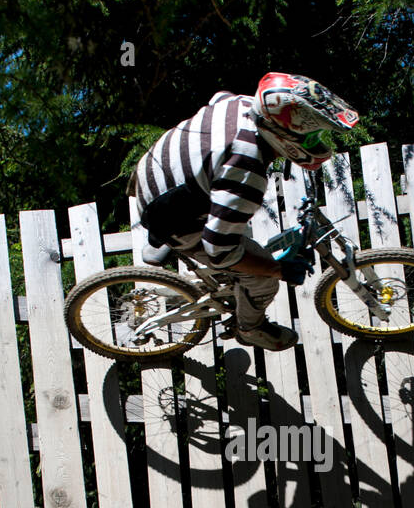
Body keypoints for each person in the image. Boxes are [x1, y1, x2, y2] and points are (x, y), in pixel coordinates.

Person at [126, 72, 359, 351]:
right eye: (311, 137)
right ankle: (250, 328)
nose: (318, 142)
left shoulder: (245, 104)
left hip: (152, 171)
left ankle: (199, 261)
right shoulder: (245, 172)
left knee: (236, 230)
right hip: (170, 211)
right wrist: (278, 269)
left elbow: (217, 98)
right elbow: (219, 251)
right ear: (283, 135)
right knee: (262, 280)